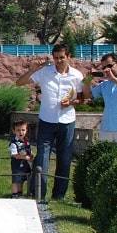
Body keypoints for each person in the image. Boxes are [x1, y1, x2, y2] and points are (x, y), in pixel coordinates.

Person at [16, 43, 83, 201]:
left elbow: (81, 97)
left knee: (65, 158)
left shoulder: (77, 75)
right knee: (42, 156)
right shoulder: (44, 72)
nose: (58, 61)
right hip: (47, 119)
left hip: (67, 120)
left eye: (62, 57)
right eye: (56, 58)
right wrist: (32, 69)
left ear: (68, 57)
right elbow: (19, 83)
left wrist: (72, 102)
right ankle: (38, 192)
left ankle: (59, 195)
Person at [9, 120, 33, 198]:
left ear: (26, 130)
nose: (21, 132)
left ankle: (20, 193)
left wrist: (31, 155)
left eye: (23, 130)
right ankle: (14, 194)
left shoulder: (26, 141)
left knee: (22, 180)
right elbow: (15, 155)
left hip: (25, 165)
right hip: (17, 165)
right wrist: (25, 157)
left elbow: (29, 150)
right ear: (14, 131)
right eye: (18, 130)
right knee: (16, 180)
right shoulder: (14, 143)